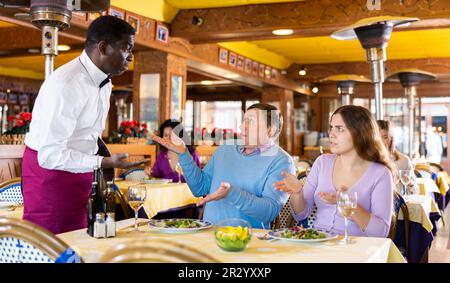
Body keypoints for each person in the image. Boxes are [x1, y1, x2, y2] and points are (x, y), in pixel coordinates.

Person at [22, 16, 146, 234]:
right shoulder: (66, 84)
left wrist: (103, 157)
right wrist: (104, 162)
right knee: (53, 246)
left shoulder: (105, 83)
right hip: (51, 177)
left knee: (80, 243)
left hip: (80, 173)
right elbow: (49, 155)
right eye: (127, 49)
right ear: (103, 47)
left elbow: (87, 132)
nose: (131, 57)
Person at [151, 103, 296, 229]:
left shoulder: (281, 161)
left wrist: (231, 193)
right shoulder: (225, 149)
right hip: (208, 234)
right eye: (243, 120)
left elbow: (268, 212)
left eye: (250, 122)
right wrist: (183, 154)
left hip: (247, 240)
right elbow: (200, 188)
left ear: (270, 130)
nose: (242, 126)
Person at [274, 105, 394, 237]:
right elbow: (301, 214)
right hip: (318, 243)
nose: (331, 134)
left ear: (360, 133)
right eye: (331, 128)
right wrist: (297, 193)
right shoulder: (322, 163)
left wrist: (347, 204)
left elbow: (380, 233)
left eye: (340, 129)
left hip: (357, 250)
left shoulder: (380, 174)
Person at [377, 120, 415, 193]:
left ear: (391, 138)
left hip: (396, 202)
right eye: (378, 137)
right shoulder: (367, 161)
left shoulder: (403, 160)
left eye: (384, 137)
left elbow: (416, 190)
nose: (380, 141)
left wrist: (410, 183)